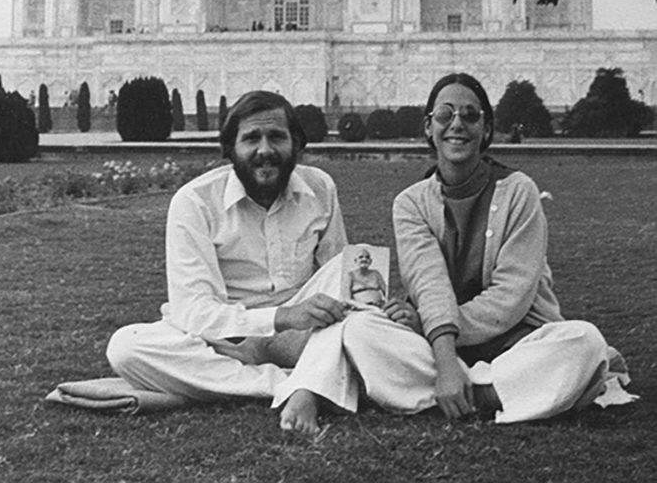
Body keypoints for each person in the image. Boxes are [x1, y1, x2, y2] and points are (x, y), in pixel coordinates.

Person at [339, 72, 628, 423]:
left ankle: (453, 392)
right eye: (445, 115)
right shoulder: (411, 203)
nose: (457, 124)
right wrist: (444, 352)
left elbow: (512, 298)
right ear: (428, 127)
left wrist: (431, 330)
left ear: (486, 129)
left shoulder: (519, 191)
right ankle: (494, 391)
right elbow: (428, 283)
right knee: (360, 330)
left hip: (517, 340)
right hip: (441, 346)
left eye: (470, 115)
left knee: (584, 341)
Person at [106, 89, 355, 432]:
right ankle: (294, 385)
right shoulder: (195, 202)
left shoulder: (320, 188)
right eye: (251, 138)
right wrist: (279, 317)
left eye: (277, 137)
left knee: (355, 293)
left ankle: (307, 374)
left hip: (303, 336)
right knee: (127, 348)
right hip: (228, 341)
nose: (265, 150)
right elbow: (193, 311)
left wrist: (317, 315)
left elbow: (338, 278)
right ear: (230, 149)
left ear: (297, 145)